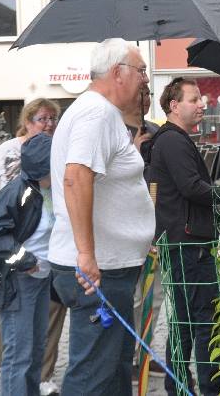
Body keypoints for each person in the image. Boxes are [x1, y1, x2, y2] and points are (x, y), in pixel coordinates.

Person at [48, 38, 155, 396]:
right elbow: (75, 178)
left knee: (112, 371)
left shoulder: (100, 113)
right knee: (93, 376)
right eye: (141, 71)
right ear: (117, 73)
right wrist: (86, 254)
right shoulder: (97, 113)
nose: (145, 79)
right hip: (99, 271)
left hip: (109, 265)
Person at [0, 98, 65, 396]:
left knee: (35, 350)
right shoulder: (19, 192)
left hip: (41, 278)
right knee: (19, 354)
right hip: (18, 280)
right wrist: (25, 261)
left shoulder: (45, 190)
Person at [148, 77, 220, 396]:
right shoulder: (172, 140)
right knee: (206, 321)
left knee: (183, 323)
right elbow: (191, 187)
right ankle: (210, 389)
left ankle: (180, 387)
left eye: (201, 99)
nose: (202, 105)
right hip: (189, 244)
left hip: (183, 242)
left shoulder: (172, 139)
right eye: (194, 99)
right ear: (174, 105)